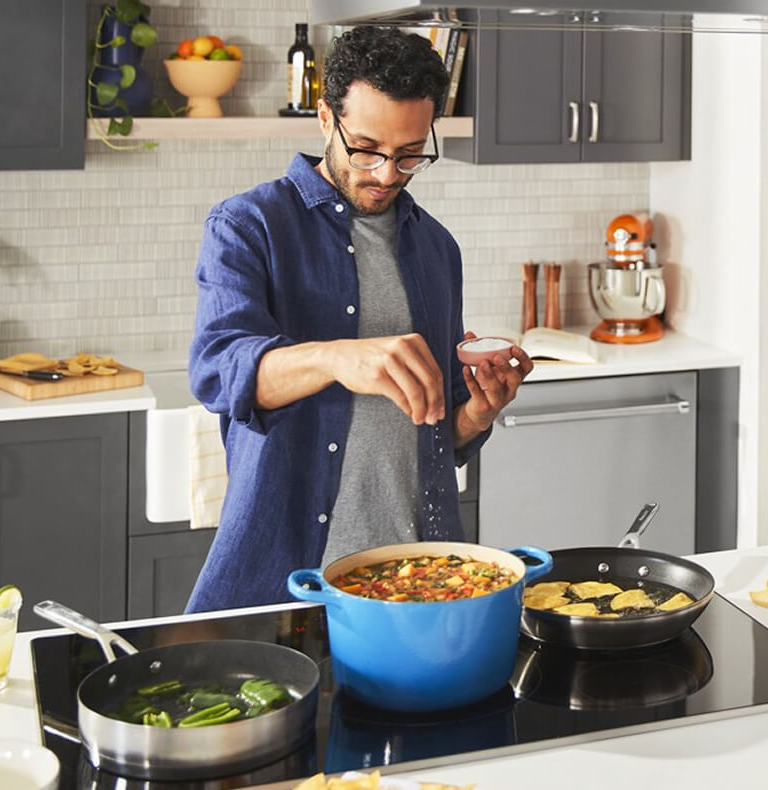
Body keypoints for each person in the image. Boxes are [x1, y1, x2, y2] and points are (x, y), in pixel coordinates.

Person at [185, 26, 531, 612]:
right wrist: (338, 356)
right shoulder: (249, 225)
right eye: (367, 148)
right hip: (292, 581)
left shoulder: (437, 249)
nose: (386, 173)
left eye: (409, 153)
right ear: (326, 119)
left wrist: (476, 411)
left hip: (421, 578)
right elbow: (218, 371)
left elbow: (434, 440)